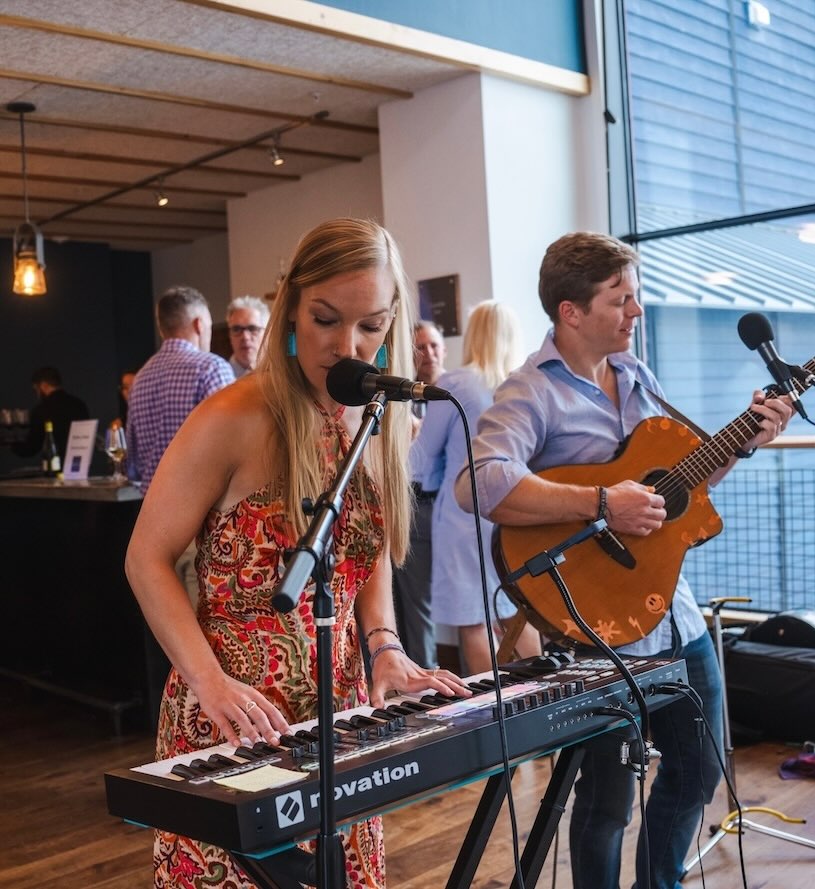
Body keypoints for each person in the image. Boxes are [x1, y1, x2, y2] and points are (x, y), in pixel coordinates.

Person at [124, 218, 470, 889]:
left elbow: (364, 549)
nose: (347, 345)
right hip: (233, 718)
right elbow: (145, 559)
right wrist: (208, 682)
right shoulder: (232, 416)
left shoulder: (378, 417)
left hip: (340, 716)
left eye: (371, 326)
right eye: (325, 319)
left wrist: (385, 645)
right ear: (290, 308)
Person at [456, 231, 794, 889]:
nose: (636, 311)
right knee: (607, 801)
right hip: (595, 626)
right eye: (621, 300)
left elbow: (679, 487)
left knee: (699, 770)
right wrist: (601, 501)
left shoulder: (638, 375)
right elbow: (479, 482)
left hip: (674, 614)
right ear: (572, 311)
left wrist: (743, 441)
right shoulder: (532, 392)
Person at [412, 301, 541, 674]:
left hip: (463, 514)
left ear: (475, 334)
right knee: (516, 609)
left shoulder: (456, 384)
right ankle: (542, 690)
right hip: (515, 509)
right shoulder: (524, 384)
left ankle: (489, 700)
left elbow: (422, 459)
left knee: (473, 618)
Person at [127, 285, 235, 493]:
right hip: (202, 503)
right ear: (199, 325)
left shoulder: (140, 378)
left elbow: (132, 464)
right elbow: (231, 443)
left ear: (162, 329)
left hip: (152, 504)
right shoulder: (211, 368)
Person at [391, 319, 448, 668]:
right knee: (410, 603)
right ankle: (419, 673)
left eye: (434, 346)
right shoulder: (400, 398)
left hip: (447, 510)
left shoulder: (454, 395)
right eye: (420, 348)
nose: (428, 354)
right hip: (410, 505)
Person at [11, 366, 89, 459]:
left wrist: (11, 443)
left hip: (54, 465)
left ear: (43, 385)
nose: (37, 394)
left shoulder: (41, 410)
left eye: (36, 390)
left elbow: (32, 448)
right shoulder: (79, 405)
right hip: (80, 463)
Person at [225, 294, 270, 378]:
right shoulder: (220, 378)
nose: (245, 337)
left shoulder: (280, 375)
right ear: (230, 335)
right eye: (236, 329)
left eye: (252, 329)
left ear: (267, 334)